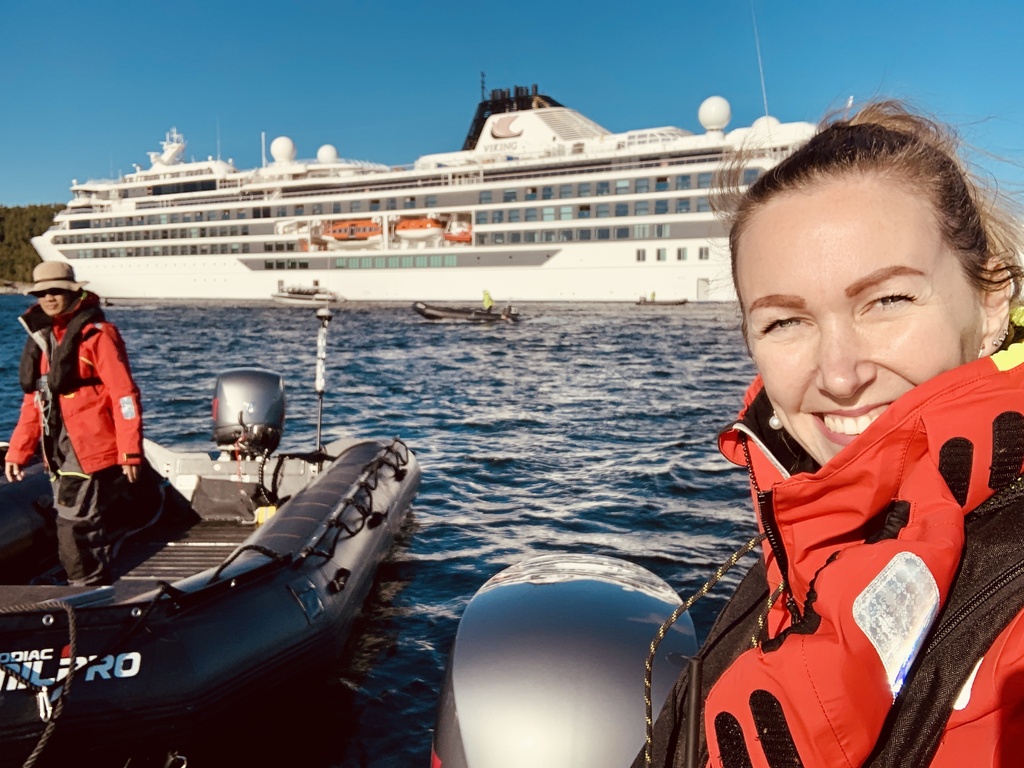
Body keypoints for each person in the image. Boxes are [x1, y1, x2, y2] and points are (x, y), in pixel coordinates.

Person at [640, 101, 1024, 768]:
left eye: (888, 301)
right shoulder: (801, 545)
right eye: (785, 322)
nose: (840, 375)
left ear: (992, 301)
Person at [4, 262, 145, 586]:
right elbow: (35, 401)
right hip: (55, 445)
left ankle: (87, 590)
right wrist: (18, 451)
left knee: (75, 521)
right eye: (42, 293)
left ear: (72, 292)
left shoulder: (98, 335)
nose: (48, 298)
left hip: (88, 443)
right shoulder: (43, 339)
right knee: (73, 517)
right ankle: (90, 584)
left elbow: (124, 395)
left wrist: (130, 451)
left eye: (56, 291)